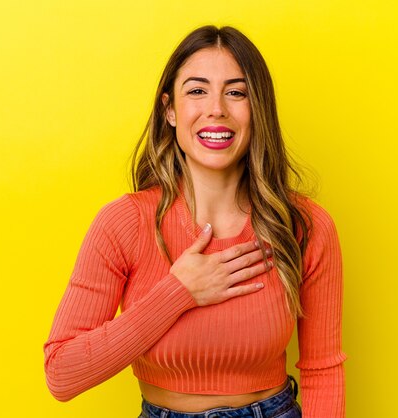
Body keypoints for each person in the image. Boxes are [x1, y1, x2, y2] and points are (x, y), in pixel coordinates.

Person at [43, 25, 347, 417]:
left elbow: (323, 370)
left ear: (258, 109)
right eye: (197, 91)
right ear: (169, 109)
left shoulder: (305, 227)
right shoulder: (125, 223)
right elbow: (63, 374)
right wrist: (178, 292)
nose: (216, 108)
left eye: (236, 92)